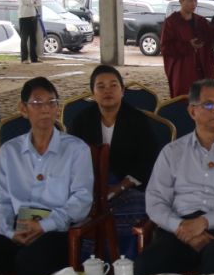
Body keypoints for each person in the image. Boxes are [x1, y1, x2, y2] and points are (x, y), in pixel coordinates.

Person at [0, 78, 94, 275]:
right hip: (18, 230)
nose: (45, 109)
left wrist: (44, 226)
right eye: (37, 103)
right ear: (23, 109)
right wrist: (9, 232)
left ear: (58, 108)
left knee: (29, 260)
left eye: (51, 103)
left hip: (57, 232)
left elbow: (82, 200)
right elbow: (1, 198)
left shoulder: (76, 149)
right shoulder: (10, 151)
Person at [136, 80, 214, 275]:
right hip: (179, 229)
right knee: (144, 266)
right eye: (209, 104)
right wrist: (180, 228)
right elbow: (155, 200)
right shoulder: (172, 152)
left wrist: (205, 222)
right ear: (192, 111)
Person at [67, 65, 163, 258]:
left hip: (129, 187)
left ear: (122, 90)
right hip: (89, 189)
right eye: (101, 86)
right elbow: (71, 161)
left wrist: (118, 188)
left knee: (136, 207)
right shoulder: (82, 120)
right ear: (93, 93)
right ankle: (89, 264)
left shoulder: (138, 120)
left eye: (113, 85)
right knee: (77, 210)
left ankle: (125, 262)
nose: (107, 91)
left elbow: (148, 162)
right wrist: (92, 190)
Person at [161, 0, 214, 98]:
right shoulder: (171, 22)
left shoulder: (201, 21)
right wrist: (188, 46)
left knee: (203, 99)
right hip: (182, 71)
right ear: (181, 1)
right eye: (190, 1)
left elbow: (212, 36)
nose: (193, 4)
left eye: (195, 0)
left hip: (202, 70)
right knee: (184, 100)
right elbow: (166, 48)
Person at [16, 0, 43, 64]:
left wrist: (30, 1)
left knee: (33, 38)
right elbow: (23, 2)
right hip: (23, 17)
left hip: (33, 16)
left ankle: (34, 58)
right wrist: (32, 1)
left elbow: (39, 2)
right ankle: (24, 58)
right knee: (24, 38)